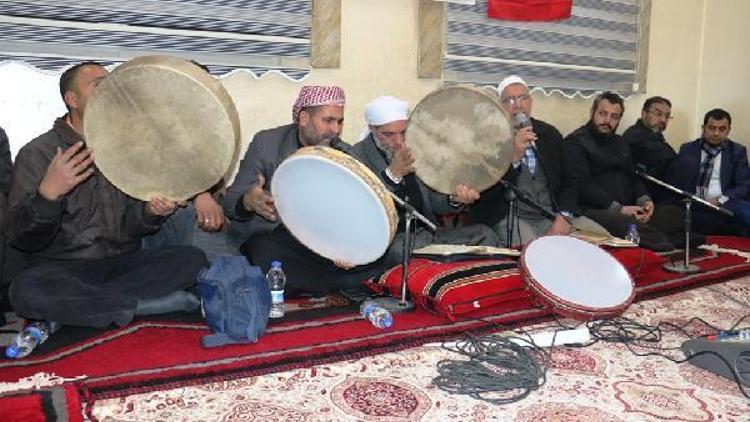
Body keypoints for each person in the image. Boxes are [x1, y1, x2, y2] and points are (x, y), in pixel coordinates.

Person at [5, 61, 208, 328]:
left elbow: (134, 226)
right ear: (72, 99)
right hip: (63, 268)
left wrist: (151, 212)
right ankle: (141, 306)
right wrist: (48, 195)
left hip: (122, 264)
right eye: (99, 85)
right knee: (26, 290)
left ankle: (85, 312)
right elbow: (20, 237)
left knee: (191, 259)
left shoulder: (127, 149)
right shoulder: (38, 153)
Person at [224, 85, 384, 297]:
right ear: (304, 118)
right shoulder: (267, 144)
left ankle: (325, 281)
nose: (336, 130)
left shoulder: (343, 154)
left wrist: (344, 246)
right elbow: (230, 203)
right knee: (264, 255)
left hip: (321, 242)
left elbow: (354, 213)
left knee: (380, 256)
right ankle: (337, 283)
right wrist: (248, 201)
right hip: (275, 238)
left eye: (340, 121)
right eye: (328, 121)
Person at [351, 96, 498, 265]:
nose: (399, 141)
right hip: (391, 241)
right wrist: (393, 174)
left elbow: (434, 202)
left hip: (429, 234)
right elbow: (365, 210)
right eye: (389, 134)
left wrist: (454, 199)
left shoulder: (417, 149)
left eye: (404, 132)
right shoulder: (357, 157)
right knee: (401, 250)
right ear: (372, 129)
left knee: (485, 234)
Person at [467, 76, 607, 245]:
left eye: (523, 98)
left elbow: (570, 180)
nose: (518, 105)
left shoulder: (550, 134)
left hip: (553, 216)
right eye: (509, 100)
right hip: (511, 217)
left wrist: (564, 215)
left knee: (604, 242)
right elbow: (486, 193)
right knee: (535, 254)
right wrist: (514, 159)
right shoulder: (488, 140)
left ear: (531, 102)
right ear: (500, 106)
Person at [565, 91, 689, 251]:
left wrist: (644, 201)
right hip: (596, 210)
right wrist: (619, 209)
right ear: (592, 112)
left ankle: (648, 238)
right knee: (625, 224)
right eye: (603, 114)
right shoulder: (575, 143)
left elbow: (634, 177)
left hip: (629, 207)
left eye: (614, 117)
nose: (607, 120)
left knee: (677, 214)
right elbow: (583, 186)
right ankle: (666, 241)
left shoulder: (620, 143)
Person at [141, 61, 235, 262]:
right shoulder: (147, 128)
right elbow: (151, 180)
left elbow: (216, 191)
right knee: (190, 216)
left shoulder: (211, 134)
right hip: (153, 222)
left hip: (195, 221)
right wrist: (198, 193)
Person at [670, 109, 750, 235]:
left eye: (722, 129)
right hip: (695, 200)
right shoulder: (688, 149)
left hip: (725, 201)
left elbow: (744, 186)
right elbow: (679, 181)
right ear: (703, 128)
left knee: (746, 211)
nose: (716, 133)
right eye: (712, 128)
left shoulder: (737, 151)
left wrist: (720, 199)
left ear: (729, 130)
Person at [621, 96, 677, 201]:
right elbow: (666, 156)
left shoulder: (655, 137)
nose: (663, 120)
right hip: (640, 197)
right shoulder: (635, 136)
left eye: (667, 116)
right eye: (658, 114)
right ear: (644, 113)